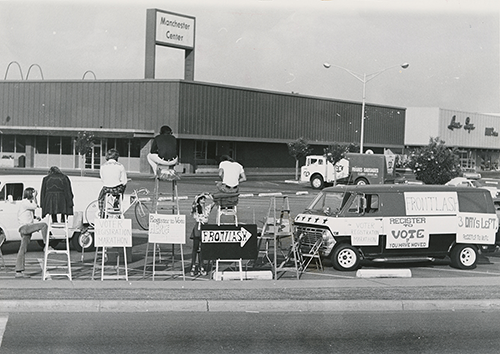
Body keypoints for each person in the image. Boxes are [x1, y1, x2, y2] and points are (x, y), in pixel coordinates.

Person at [15, 187, 48, 278]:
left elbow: (26, 214)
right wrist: (35, 197)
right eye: (33, 193)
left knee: (23, 249)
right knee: (44, 225)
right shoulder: (25, 202)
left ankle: (19, 271)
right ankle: (46, 245)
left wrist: (35, 217)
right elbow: (35, 206)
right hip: (26, 227)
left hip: (25, 227)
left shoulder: (26, 203)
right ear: (30, 194)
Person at [98, 149, 127, 218]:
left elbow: (102, 178)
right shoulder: (120, 166)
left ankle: (102, 212)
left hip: (106, 188)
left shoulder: (103, 166)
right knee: (121, 189)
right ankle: (117, 203)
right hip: (117, 188)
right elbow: (124, 181)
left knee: (100, 198)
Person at [189, 193, 213, 277]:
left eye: (204, 199)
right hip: (198, 228)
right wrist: (198, 197)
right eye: (202, 199)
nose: (204, 200)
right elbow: (193, 205)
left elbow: (215, 202)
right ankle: (193, 266)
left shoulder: (207, 208)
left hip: (205, 228)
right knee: (195, 248)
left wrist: (209, 195)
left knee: (202, 249)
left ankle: (201, 266)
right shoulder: (196, 208)